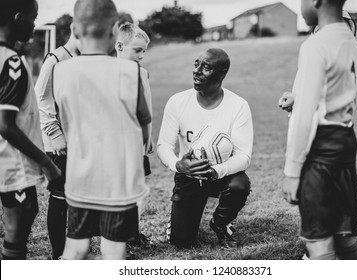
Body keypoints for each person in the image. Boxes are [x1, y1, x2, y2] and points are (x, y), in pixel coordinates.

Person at [53, 0, 151, 260]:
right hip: (119, 181)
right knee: (113, 248)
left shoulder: (60, 71)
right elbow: (143, 125)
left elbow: (66, 122)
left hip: (79, 177)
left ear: (74, 29)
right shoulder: (131, 72)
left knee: (75, 247)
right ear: (114, 30)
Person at [282, 0, 357, 260]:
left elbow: (305, 116)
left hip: (320, 147)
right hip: (345, 140)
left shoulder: (315, 45)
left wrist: (292, 172)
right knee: (345, 234)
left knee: (319, 243)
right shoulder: (351, 41)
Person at [157, 48, 253, 249]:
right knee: (181, 242)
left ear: (222, 73)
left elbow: (243, 156)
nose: (197, 71)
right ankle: (178, 220)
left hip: (221, 175)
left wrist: (215, 171)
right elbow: (163, 146)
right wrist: (178, 165)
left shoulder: (238, 105)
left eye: (206, 67)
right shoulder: (178, 102)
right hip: (189, 175)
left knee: (240, 185)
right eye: (196, 64)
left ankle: (221, 223)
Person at [0, 0, 61, 260]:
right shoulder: (11, 63)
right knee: (20, 221)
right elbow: (5, 124)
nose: (35, 25)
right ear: (18, 18)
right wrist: (47, 163)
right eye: (33, 18)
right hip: (13, 164)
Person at [34, 23, 79, 260]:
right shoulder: (55, 59)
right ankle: (58, 254)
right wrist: (55, 135)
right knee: (60, 196)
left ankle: (74, 250)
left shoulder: (88, 59)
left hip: (82, 144)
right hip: (60, 145)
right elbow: (42, 102)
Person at [115, 22, 153, 247]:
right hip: (119, 145)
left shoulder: (143, 73)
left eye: (144, 51)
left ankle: (132, 232)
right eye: (137, 50)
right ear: (119, 46)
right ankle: (119, 237)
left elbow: (146, 106)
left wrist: (150, 135)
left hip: (139, 142)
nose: (141, 56)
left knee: (136, 190)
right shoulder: (110, 73)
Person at [278, 10, 357, 113]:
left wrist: (297, 101)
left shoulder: (340, 64)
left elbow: (332, 101)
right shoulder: (313, 53)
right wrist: (294, 99)